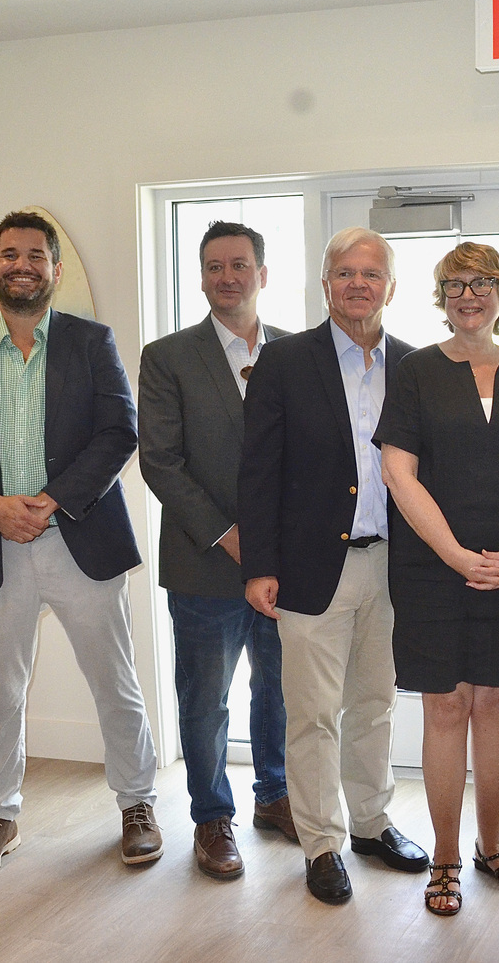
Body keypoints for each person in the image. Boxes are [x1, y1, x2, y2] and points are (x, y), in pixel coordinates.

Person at [0, 211, 161, 881]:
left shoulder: (91, 341)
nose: (21, 264)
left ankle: (137, 804)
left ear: (54, 268)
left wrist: (52, 500)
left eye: (34, 255)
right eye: (8, 254)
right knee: (0, 691)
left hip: (79, 537)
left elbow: (118, 431)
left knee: (115, 682)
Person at [376, 242, 499, 916]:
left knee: (498, 705)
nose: (468, 295)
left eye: (482, 283)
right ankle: (447, 858)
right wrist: (457, 555)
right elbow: (399, 474)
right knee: (446, 706)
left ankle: (493, 847)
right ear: (441, 297)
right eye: (454, 284)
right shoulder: (416, 371)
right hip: (433, 567)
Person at [239, 227, 425, 905]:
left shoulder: (416, 365)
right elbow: (256, 473)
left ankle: (373, 824)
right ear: (325, 284)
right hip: (311, 568)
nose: (357, 284)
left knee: (375, 705)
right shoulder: (284, 362)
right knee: (313, 714)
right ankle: (322, 843)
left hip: (393, 568)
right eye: (344, 272)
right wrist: (258, 564)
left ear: (391, 288)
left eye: (370, 274)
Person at [138, 220, 295, 879]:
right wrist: (231, 538)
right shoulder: (168, 356)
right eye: (213, 267)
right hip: (204, 562)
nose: (226, 277)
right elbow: (161, 463)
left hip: (288, 566)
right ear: (201, 277)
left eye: (239, 265)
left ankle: (276, 796)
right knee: (205, 701)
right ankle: (211, 818)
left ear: (262, 273)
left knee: (280, 692)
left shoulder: (297, 353)